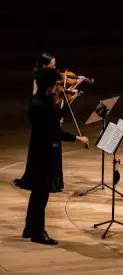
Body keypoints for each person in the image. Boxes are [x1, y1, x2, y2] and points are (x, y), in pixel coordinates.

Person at [22, 68, 89, 245]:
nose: (60, 87)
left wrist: (68, 102)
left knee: (37, 193)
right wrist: (78, 138)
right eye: (57, 84)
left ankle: (29, 227)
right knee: (41, 195)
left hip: (38, 152)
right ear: (49, 86)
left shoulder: (37, 101)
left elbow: (56, 115)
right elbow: (55, 131)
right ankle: (38, 233)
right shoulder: (43, 106)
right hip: (44, 154)